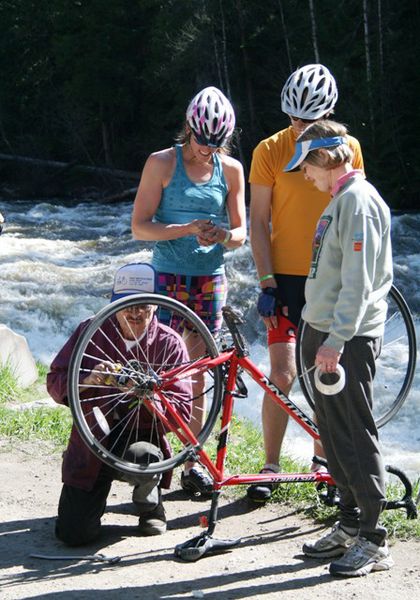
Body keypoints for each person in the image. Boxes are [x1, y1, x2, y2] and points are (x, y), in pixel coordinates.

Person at [247, 64, 364, 502]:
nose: (299, 128)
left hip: (329, 278)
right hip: (285, 278)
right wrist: (266, 279)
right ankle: (270, 463)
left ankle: (324, 464)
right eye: (293, 119)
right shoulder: (270, 150)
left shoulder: (347, 148)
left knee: (325, 374)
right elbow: (258, 221)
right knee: (282, 371)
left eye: (308, 121)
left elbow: (356, 212)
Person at [284, 120, 393, 576]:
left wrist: (336, 339)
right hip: (323, 331)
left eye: (306, 166)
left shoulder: (359, 202)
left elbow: (360, 282)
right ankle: (348, 522)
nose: (305, 176)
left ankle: (373, 537)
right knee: (331, 431)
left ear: (325, 158)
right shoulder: (340, 200)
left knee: (354, 429)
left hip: (344, 340)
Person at [131, 86, 246, 496]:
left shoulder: (229, 170)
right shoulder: (161, 163)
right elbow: (139, 226)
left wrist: (222, 234)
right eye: (201, 142)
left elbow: (241, 234)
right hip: (167, 277)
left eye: (215, 145)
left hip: (209, 279)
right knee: (162, 373)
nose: (205, 152)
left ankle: (193, 459)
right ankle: (155, 456)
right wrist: (185, 229)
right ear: (189, 130)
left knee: (199, 373)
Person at [47, 263, 192, 545]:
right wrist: (89, 379)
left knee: (146, 456)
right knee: (73, 535)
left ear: (156, 305)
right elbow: (54, 380)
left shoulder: (170, 343)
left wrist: (149, 395)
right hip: (91, 440)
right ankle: (92, 501)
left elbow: (183, 412)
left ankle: (151, 503)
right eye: (127, 305)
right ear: (113, 303)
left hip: (142, 440)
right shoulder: (90, 332)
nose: (135, 313)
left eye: (143, 306)